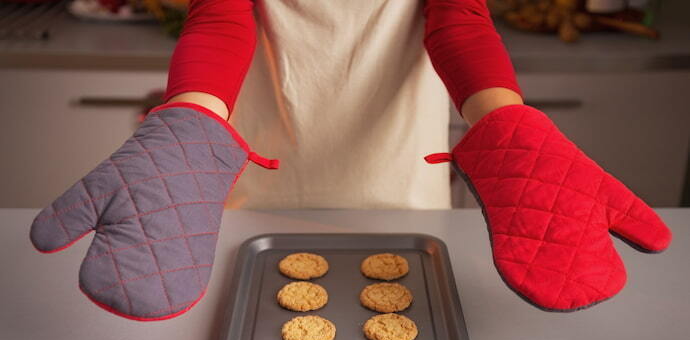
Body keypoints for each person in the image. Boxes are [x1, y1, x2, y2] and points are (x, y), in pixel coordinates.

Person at [29, 0, 671, 320]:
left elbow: (461, 24)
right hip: (255, 192)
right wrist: (187, 127)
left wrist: (510, 131)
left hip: (401, 188)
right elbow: (218, 21)